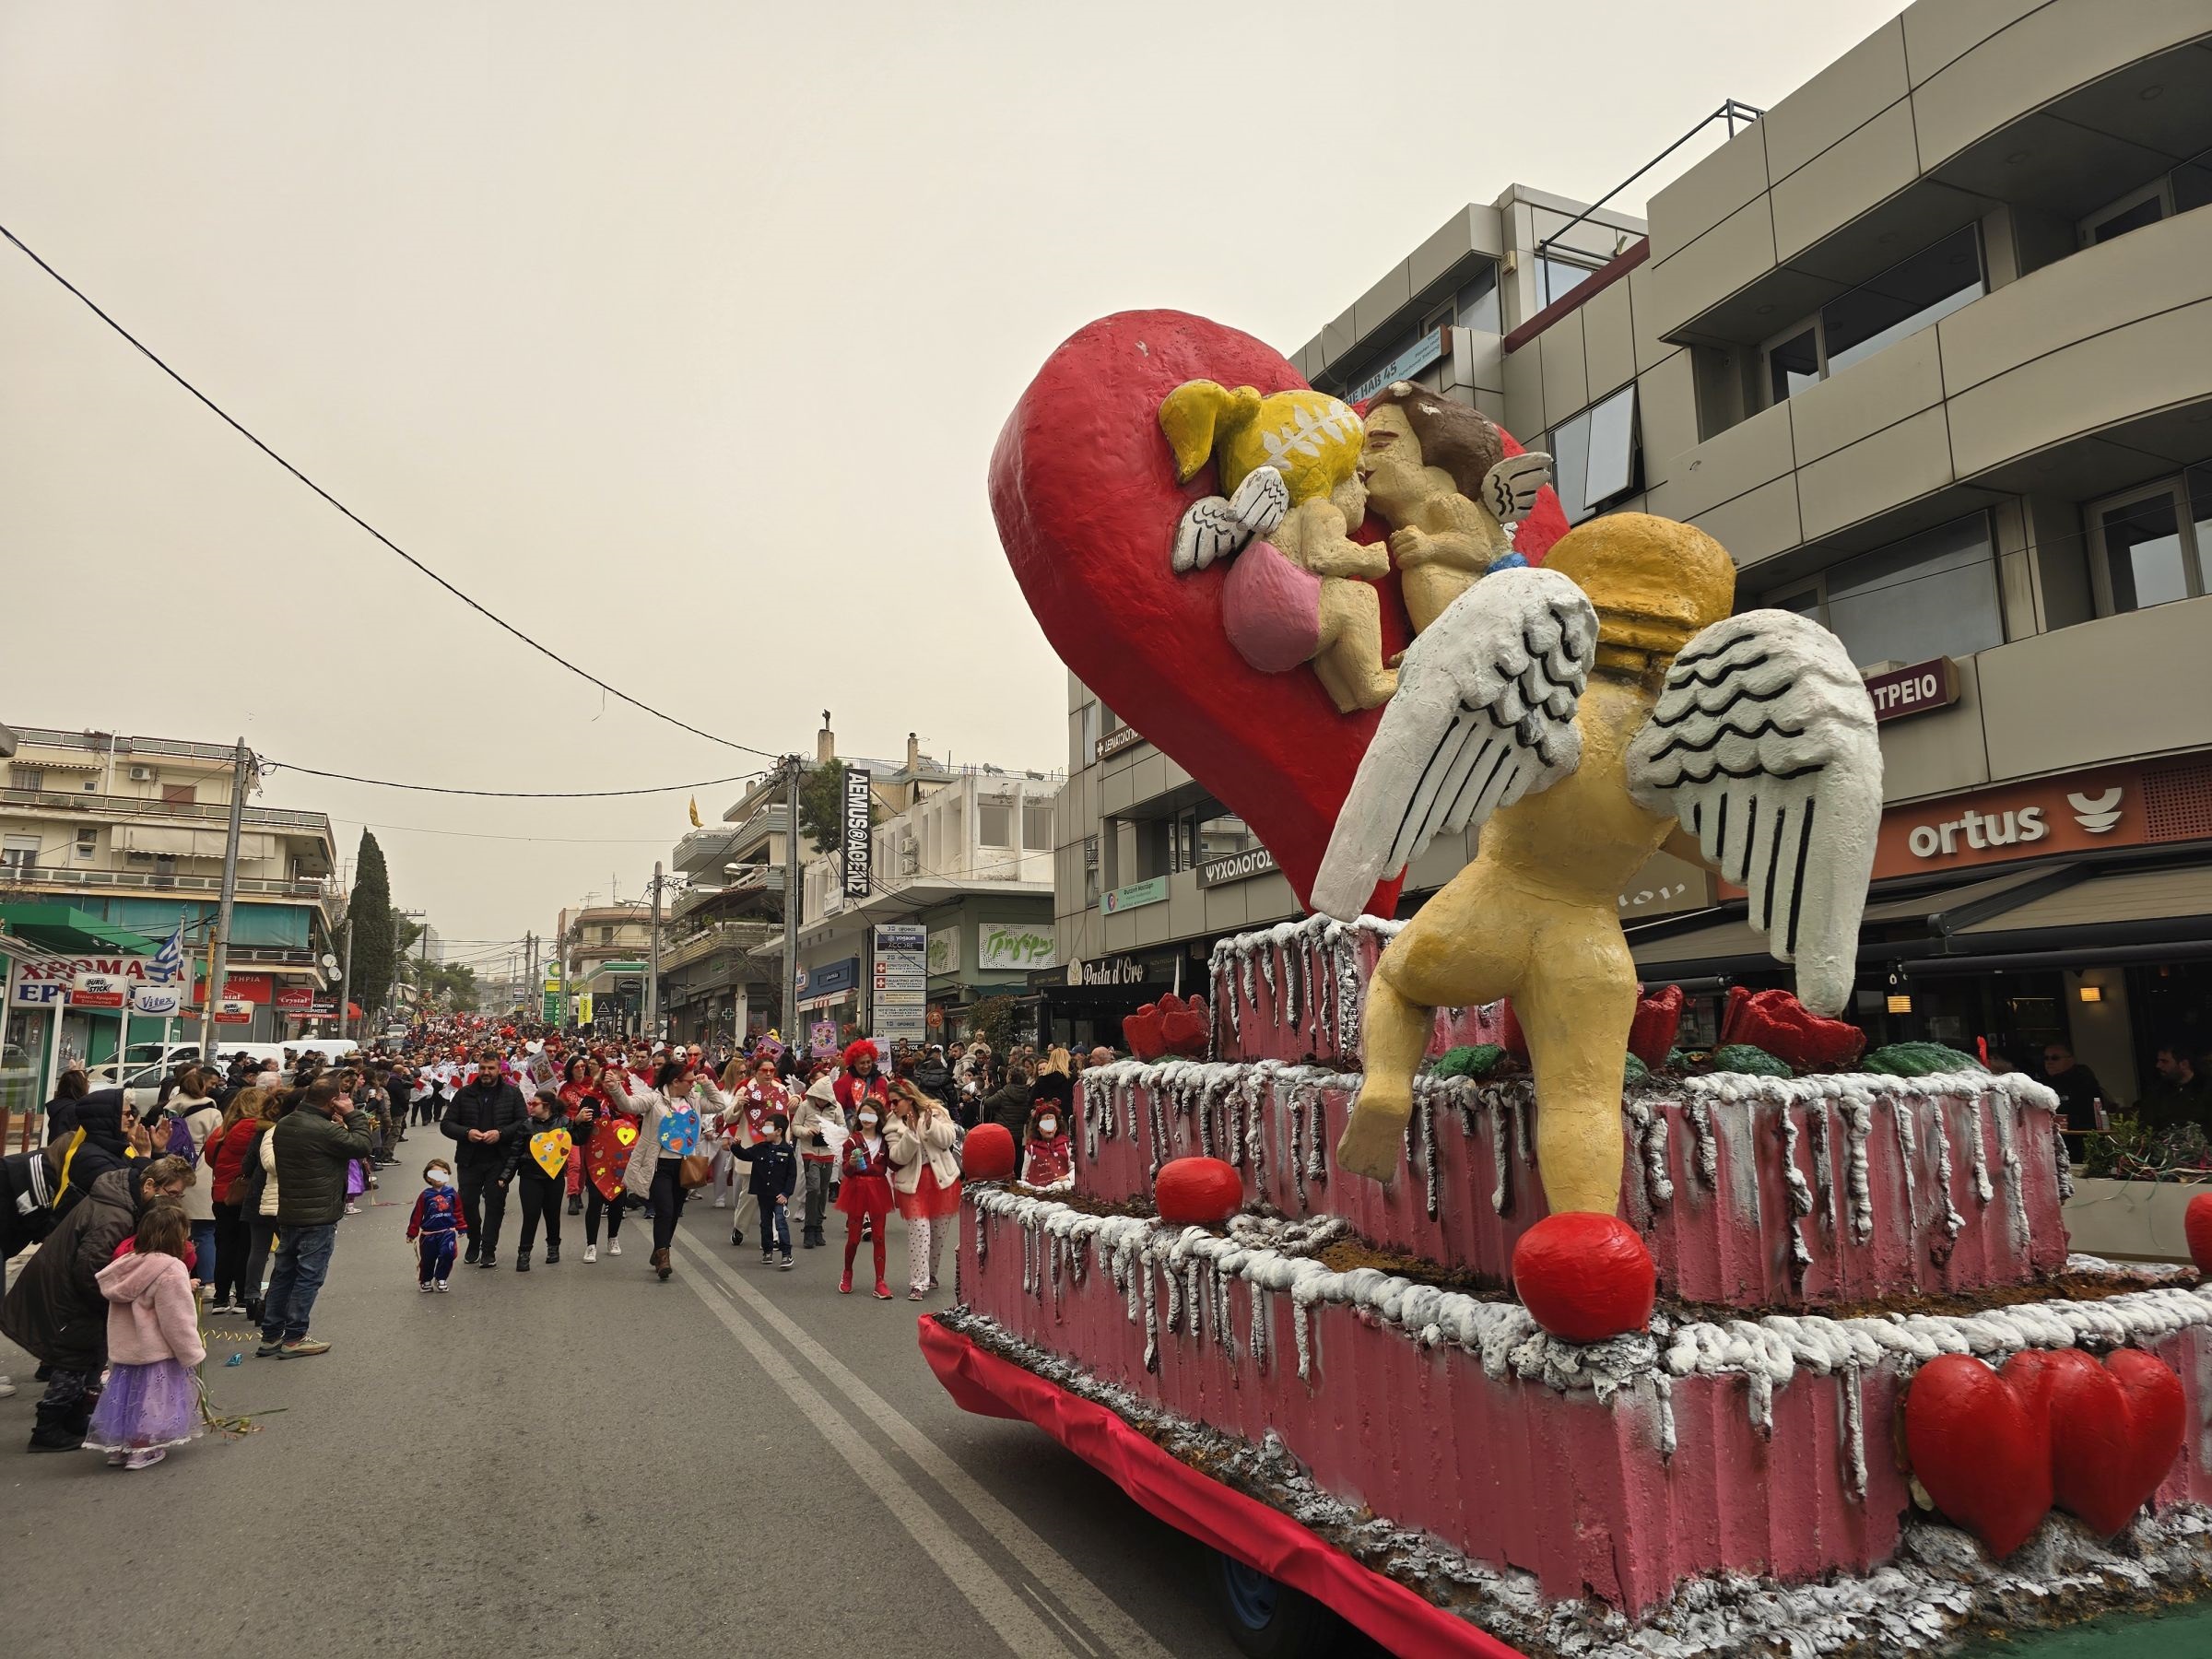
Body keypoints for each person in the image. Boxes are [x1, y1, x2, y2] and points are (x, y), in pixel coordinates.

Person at [1, 1156, 194, 1453]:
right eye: (172, 1194)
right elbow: (90, 1269)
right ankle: (47, 1428)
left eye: (179, 1197)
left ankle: (73, 1418)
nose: (175, 1202)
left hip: (67, 1289)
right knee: (71, 1361)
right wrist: (123, 1299)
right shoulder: (114, 1215)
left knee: (83, 1359)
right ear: (150, 1184)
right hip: (65, 1294)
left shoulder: (119, 1202)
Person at [83, 1202, 207, 1470]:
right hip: (156, 1349)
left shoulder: (126, 1265)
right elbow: (176, 1318)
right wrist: (191, 1352)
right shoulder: (171, 1268)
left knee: (127, 1397)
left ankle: (120, 1448)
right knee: (153, 1399)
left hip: (127, 1348)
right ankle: (143, 1449)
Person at [257, 1077, 374, 1360]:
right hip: (318, 1212)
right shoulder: (323, 1129)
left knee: (283, 1272)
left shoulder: (285, 1125)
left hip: (290, 1209)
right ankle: (295, 1337)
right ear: (332, 1100)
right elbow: (361, 1146)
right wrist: (352, 1114)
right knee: (309, 1275)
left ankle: (272, 1335)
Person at [604, 1058, 730, 1281]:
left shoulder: (694, 1100)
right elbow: (628, 1105)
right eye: (689, 1081)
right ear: (675, 1082)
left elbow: (719, 1105)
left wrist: (707, 1083)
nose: (693, 1085)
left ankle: (661, 1248)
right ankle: (664, 1257)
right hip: (659, 1164)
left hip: (684, 1164)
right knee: (665, 1209)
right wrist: (615, 1088)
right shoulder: (654, 1099)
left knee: (675, 1211)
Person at [441, 1045, 526, 1269]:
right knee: (468, 1203)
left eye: (491, 1068)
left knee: (495, 1203)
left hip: (499, 1158)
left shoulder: (512, 1093)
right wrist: (466, 1133)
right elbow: (447, 1124)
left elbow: (522, 1123)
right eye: (482, 1068)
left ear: (500, 1070)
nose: (486, 1072)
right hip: (470, 1158)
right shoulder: (464, 1093)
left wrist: (500, 1134)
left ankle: (489, 1248)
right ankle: (474, 1239)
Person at [886, 1079, 961, 1300]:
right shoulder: (892, 1124)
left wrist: (930, 1125)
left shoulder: (936, 1111)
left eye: (895, 1101)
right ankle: (918, 1283)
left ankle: (932, 1274)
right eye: (890, 1103)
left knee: (938, 1235)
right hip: (913, 1184)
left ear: (909, 1099)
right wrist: (910, 1134)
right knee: (920, 1231)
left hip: (942, 1181)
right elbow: (897, 1156)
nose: (891, 1107)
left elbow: (948, 1140)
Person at [203, 1084, 274, 1316]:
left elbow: (211, 1160)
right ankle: (244, 1297)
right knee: (249, 1246)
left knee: (224, 1245)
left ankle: (221, 1298)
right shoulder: (261, 1131)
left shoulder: (220, 1133)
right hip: (249, 1193)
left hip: (223, 1194)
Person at [723, 1054, 794, 1249]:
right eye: (764, 1071)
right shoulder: (746, 1089)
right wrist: (739, 1104)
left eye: (772, 1071)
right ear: (756, 1072)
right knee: (750, 1194)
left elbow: (785, 1118)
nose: (769, 1074)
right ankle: (739, 1227)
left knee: (776, 1194)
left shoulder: (781, 1090)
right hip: (752, 1146)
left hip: (776, 1149)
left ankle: (774, 1235)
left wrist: (787, 1144)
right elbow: (728, 1117)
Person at [835, 1093, 894, 1300]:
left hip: (878, 1189)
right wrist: (851, 1163)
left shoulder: (886, 1140)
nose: (867, 1119)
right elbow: (846, 1170)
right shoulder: (852, 1140)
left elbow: (895, 1164)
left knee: (879, 1236)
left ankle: (880, 1281)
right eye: (864, 1115)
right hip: (857, 1189)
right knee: (853, 1238)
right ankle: (847, 1272)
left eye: (872, 1115)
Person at [509, 1088, 571, 1271]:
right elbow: (515, 1153)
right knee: (531, 1215)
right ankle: (524, 1253)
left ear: (547, 1106)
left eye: (534, 1104)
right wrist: (505, 1176)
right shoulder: (526, 1125)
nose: (531, 1107)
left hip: (554, 1177)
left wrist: (582, 1123)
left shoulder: (564, 1122)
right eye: (530, 1103)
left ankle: (553, 1248)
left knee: (552, 1214)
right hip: (530, 1176)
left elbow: (578, 1138)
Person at [732, 1112, 797, 1268]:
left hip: (779, 1195)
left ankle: (787, 1254)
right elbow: (745, 1155)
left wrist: (786, 1193)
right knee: (765, 1224)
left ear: (779, 1131)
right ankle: (767, 1251)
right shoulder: (760, 1148)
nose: (764, 1130)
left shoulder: (787, 1151)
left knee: (781, 1222)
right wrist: (736, 1146)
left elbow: (791, 1175)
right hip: (763, 1193)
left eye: (768, 1127)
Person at [791, 1065, 845, 1251]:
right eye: (818, 1099)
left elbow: (843, 1128)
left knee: (823, 1191)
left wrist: (832, 1132)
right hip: (809, 1151)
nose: (820, 1103)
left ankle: (818, 1227)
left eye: (824, 1100)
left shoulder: (836, 1107)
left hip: (828, 1153)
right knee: (813, 1188)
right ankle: (808, 1229)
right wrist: (807, 1131)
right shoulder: (805, 1106)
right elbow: (795, 1127)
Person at [405, 1158, 465, 1292]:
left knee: (447, 1254)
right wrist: (412, 1233)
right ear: (428, 1177)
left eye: (444, 1173)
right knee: (428, 1259)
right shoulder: (425, 1195)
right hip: (429, 1235)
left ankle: (441, 1278)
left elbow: (458, 1211)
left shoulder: (452, 1193)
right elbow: (417, 1215)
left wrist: (461, 1227)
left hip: (447, 1232)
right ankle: (426, 1280)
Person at [2141, 1041, 2212, 1135]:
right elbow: (2147, 1123)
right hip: (2165, 1144)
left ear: (2184, 1064)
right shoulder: (2158, 1091)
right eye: (2158, 1061)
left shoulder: (2206, 1088)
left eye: (2164, 1061)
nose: (2158, 1065)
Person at [2041, 1041, 2108, 1140]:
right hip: (2053, 1138)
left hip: (2081, 1139)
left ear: (2071, 1060)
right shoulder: (2043, 1082)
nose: (2049, 1062)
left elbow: (2087, 1116)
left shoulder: (2083, 1081)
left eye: (2055, 1058)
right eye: (2046, 1058)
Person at [1022, 1098, 1074, 1190]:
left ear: (1057, 1126)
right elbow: (1024, 1176)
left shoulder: (1066, 1145)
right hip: (1038, 1197)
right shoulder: (1031, 1148)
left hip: (1063, 1194)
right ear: (1038, 1127)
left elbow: (1075, 1169)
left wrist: (1067, 1178)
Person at [982, 1064, 1033, 1136]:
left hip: (1002, 1131)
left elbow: (987, 1103)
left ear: (1010, 1078)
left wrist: (986, 1089)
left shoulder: (1003, 1094)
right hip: (1018, 1134)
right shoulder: (1027, 1095)